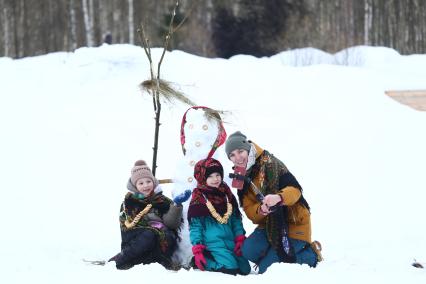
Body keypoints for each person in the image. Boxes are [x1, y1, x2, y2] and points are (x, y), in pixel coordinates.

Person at [224, 131, 322, 274]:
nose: (237, 158)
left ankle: (311, 255)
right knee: (248, 250)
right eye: (232, 155)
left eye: (240, 151)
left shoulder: (270, 163)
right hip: (269, 223)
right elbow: (251, 212)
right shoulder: (239, 176)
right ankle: (274, 256)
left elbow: (295, 191)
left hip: (294, 221)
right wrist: (262, 210)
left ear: (248, 149)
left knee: (267, 269)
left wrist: (279, 198)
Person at [109, 160, 192, 270]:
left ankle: (158, 261)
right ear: (135, 186)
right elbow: (129, 226)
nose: (146, 186)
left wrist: (175, 206)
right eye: (141, 183)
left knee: (169, 234)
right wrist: (152, 222)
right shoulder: (129, 203)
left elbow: (171, 224)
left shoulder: (161, 200)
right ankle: (120, 260)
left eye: (148, 181)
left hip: (157, 242)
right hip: (136, 241)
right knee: (150, 234)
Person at [187, 158, 251, 275]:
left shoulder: (227, 195)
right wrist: (198, 248)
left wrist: (239, 238)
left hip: (229, 240)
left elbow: (236, 220)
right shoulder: (199, 199)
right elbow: (195, 227)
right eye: (210, 176)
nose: (215, 179)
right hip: (212, 243)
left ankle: (226, 258)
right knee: (230, 268)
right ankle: (204, 260)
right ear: (202, 178)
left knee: (245, 269)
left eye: (217, 175)